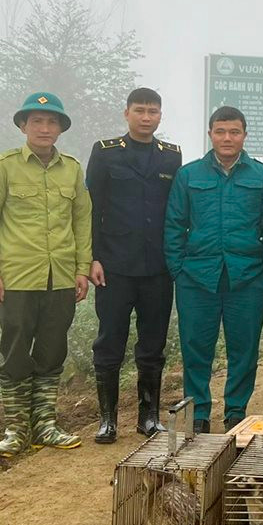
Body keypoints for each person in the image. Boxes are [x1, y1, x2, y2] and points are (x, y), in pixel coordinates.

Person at [0, 91, 91, 456]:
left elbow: (82, 220)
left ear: (60, 128)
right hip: (16, 278)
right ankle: (16, 429)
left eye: (51, 122)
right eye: (37, 121)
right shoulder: (3, 166)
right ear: (23, 126)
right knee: (14, 351)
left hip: (60, 278)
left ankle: (45, 425)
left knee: (52, 350)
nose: (44, 127)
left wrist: (82, 269)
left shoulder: (71, 168)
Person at [164, 106, 263, 433]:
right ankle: (197, 414)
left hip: (248, 276)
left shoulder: (262, 176)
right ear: (210, 134)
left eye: (234, 132)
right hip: (197, 277)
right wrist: (178, 269)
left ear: (244, 135)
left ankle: (236, 412)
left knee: (244, 348)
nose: (227, 138)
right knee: (196, 347)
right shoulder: (189, 175)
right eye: (221, 131)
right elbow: (174, 224)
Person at [85, 87, 182, 443]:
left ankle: (148, 417)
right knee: (110, 342)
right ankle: (108, 420)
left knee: (153, 344)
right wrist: (92, 257)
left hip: (157, 268)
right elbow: (91, 209)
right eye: (139, 110)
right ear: (126, 113)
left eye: (152, 111)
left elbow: (176, 212)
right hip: (113, 266)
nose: (146, 117)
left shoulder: (171, 157)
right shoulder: (106, 153)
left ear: (160, 116)